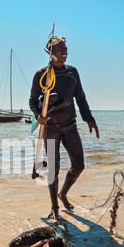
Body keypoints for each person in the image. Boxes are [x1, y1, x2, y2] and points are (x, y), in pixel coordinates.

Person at [29, 36, 99, 221]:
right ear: (50, 53)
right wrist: (38, 116)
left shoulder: (72, 73)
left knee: (79, 165)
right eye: (60, 48)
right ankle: (54, 207)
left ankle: (63, 193)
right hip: (50, 128)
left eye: (66, 48)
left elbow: (81, 99)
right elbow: (32, 101)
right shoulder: (41, 75)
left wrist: (89, 118)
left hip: (70, 126)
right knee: (53, 169)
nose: (64, 51)